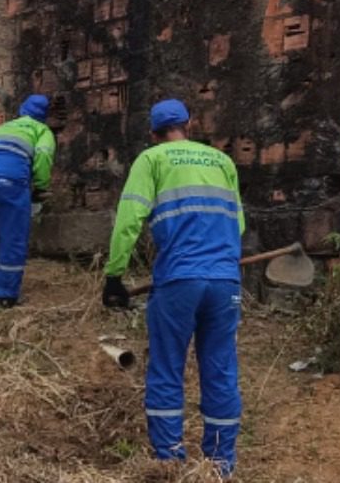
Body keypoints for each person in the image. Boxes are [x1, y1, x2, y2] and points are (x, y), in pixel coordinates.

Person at [102, 99, 244, 477]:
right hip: (226, 280)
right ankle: (219, 464)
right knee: (220, 368)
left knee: (167, 367)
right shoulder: (223, 162)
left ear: (153, 134)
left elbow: (129, 220)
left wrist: (114, 275)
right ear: (189, 124)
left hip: (179, 280)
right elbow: (238, 225)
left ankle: (169, 459)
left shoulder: (152, 160)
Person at [0, 94, 55, 308]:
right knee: (12, 237)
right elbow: (42, 157)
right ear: (44, 116)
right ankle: (5, 295)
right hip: (8, 180)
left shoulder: (4, 127)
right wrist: (41, 187)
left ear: (22, 110)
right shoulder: (42, 131)